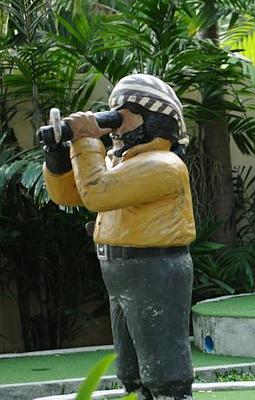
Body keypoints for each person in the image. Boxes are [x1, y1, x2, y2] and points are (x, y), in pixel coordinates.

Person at [42, 74, 196, 400]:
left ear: (153, 119)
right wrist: (57, 157)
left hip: (154, 270)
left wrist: (84, 139)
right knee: (131, 368)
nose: (115, 125)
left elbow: (98, 192)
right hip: (119, 270)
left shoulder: (163, 164)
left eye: (123, 116)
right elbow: (72, 194)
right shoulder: (119, 161)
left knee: (163, 367)